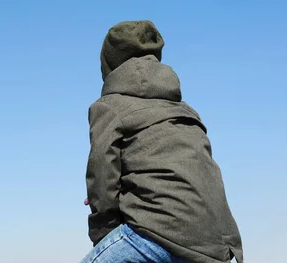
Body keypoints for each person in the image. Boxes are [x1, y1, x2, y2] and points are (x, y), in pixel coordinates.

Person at [80, 20, 243, 263]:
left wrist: (104, 234)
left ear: (109, 63)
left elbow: (102, 179)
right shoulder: (186, 110)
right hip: (218, 244)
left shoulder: (108, 107)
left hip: (160, 235)